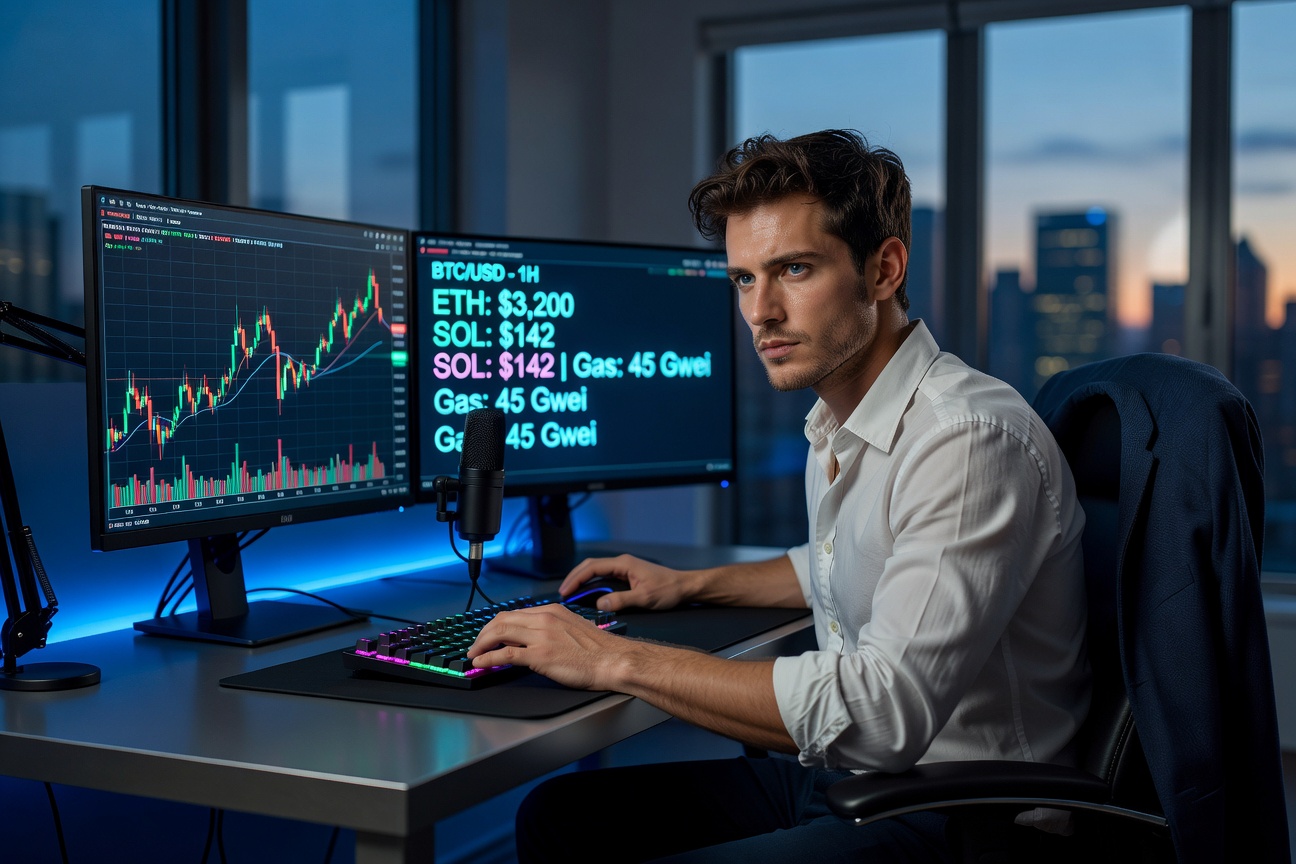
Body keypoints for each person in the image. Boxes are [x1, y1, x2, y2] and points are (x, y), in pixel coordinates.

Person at [467, 128, 1090, 863]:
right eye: (743, 279)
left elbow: (883, 713)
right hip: (850, 781)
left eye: (794, 269)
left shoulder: (967, 440)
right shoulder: (840, 419)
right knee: (559, 816)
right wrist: (689, 585)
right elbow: (837, 561)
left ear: (884, 269)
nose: (761, 312)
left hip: (962, 815)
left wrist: (614, 661)